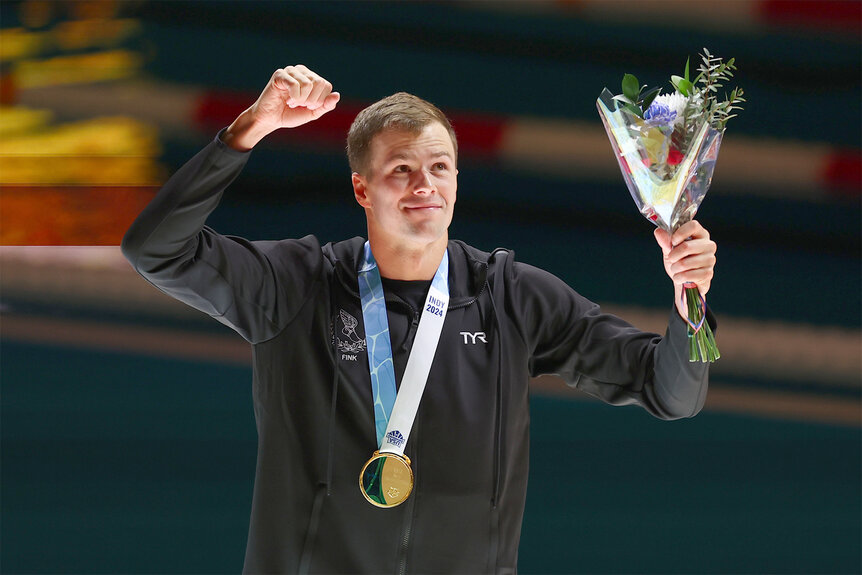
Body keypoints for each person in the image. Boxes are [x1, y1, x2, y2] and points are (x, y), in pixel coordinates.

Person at [122, 65, 716, 574]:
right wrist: (249, 128)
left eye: (439, 167)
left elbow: (672, 393)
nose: (424, 185)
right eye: (401, 169)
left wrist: (690, 298)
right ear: (361, 188)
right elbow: (155, 249)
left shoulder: (510, 296)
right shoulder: (297, 285)